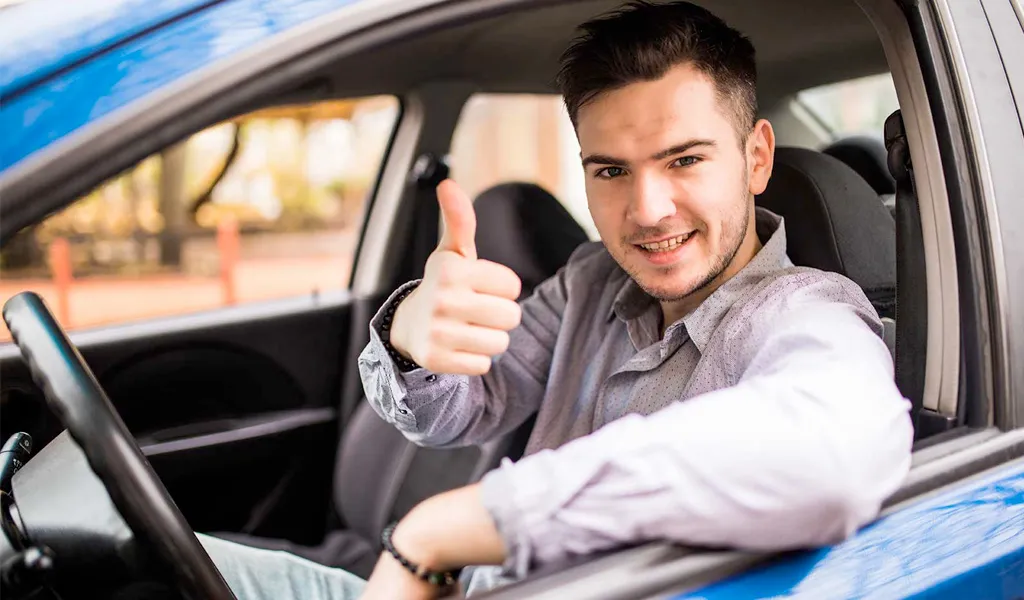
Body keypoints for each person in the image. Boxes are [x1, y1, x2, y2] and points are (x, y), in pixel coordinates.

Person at [198, 1, 914, 598]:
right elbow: (458, 413)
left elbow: (833, 456)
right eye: (611, 171)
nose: (649, 210)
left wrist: (447, 530)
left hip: (443, 571)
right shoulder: (590, 280)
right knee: (152, 557)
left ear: (756, 158)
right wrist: (413, 339)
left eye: (685, 159)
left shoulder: (805, 312)